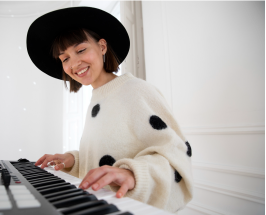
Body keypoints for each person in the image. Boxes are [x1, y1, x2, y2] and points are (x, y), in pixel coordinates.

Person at [27, 6, 193, 213]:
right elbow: (110, 151)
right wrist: (73, 159)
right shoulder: (97, 98)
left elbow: (177, 152)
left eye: (81, 50)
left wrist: (133, 175)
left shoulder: (136, 90)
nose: (74, 63)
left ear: (102, 46)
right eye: (65, 58)